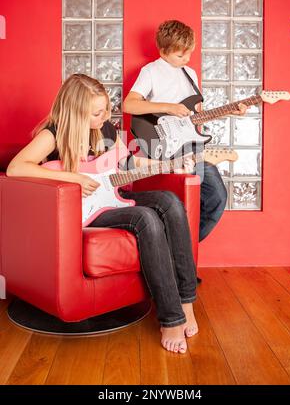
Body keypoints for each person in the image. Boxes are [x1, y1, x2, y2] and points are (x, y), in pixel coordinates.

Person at [6, 73, 199, 354]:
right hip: (82, 213)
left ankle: (185, 300)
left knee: (169, 202)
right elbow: (15, 167)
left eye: (106, 109)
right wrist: (74, 179)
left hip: (111, 198)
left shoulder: (105, 129)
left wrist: (168, 164)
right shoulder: (53, 134)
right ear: (75, 112)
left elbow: (127, 160)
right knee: (147, 218)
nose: (104, 116)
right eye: (97, 113)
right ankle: (170, 318)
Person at [124, 19, 248, 242]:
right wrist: (168, 107)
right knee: (178, 204)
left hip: (190, 146)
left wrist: (230, 112)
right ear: (163, 50)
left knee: (216, 197)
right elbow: (129, 105)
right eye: (180, 55)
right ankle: (176, 257)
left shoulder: (189, 73)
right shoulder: (150, 71)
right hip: (164, 147)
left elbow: (194, 115)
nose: (186, 59)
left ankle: (182, 254)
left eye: (189, 54)